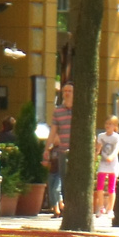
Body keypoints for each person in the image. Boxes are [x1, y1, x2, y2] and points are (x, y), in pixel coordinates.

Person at [46, 82, 73, 217]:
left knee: (76, 180)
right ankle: (67, 209)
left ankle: (73, 209)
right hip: (63, 151)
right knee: (64, 180)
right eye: (64, 91)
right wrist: (46, 150)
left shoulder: (80, 110)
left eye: (69, 91)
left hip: (77, 152)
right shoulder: (58, 111)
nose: (67, 93)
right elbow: (53, 132)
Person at [94, 115, 119, 221]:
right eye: (107, 123)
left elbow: (116, 149)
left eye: (110, 124)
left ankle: (110, 209)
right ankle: (100, 207)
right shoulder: (101, 136)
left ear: (115, 126)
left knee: (111, 188)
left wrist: (112, 156)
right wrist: (96, 154)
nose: (108, 126)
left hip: (113, 165)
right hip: (103, 164)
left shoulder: (117, 137)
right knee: (100, 187)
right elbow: (98, 148)